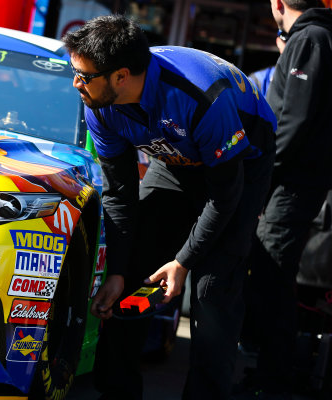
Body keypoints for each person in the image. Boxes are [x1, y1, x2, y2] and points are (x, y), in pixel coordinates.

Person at [62, 15, 277, 400]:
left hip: (239, 164)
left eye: (84, 75)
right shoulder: (99, 102)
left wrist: (183, 262)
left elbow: (224, 195)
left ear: (121, 76)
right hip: (174, 159)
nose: (76, 83)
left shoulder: (200, 96)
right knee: (130, 278)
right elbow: (119, 191)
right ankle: (117, 392)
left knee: (211, 291)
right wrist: (117, 271)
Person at [241, 1, 332, 399]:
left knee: (271, 273)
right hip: (299, 181)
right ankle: (273, 371)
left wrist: (264, 176)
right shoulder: (312, 37)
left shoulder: (312, 38)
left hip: (292, 184)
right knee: (273, 274)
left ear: (278, 3)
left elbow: (291, 120)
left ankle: (275, 378)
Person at [247, 31, 287, 98]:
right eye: (287, 40)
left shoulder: (308, 82)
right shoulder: (258, 80)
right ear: (278, 42)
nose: (291, 46)